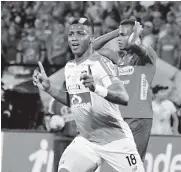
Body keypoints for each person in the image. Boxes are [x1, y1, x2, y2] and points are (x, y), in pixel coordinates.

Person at [33, 17, 145, 172]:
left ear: (91, 38)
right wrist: (49, 88)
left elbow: (123, 97)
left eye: (80, 33)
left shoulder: (100, 64)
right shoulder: (70, 67)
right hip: (87, 141)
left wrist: (95, 88)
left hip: (115, 140)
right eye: (71, 34)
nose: (74, 38)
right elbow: (74, 100)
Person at [93, 19, 157, 162]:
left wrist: (134, 34)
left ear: (136, 35)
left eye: (124, 35)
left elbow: (134, 45)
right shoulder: (120, 58)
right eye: (119, 35)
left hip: (139, 118)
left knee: (133, 164)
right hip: (120, 118)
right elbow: (92, 47)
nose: (119, 39)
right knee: (121, 165)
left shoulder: (147, 55)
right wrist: (118, 31)